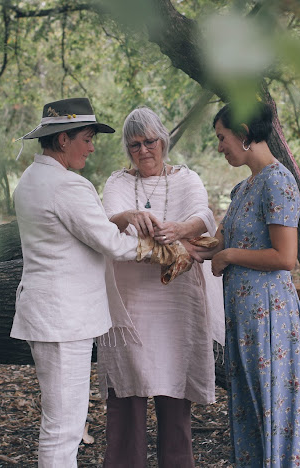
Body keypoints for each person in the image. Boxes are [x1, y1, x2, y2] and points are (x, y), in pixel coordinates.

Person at [10, 98, 173, 468]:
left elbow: (77, 233)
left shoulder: (30, 180)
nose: (92, 145)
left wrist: (121, 217)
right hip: (64, 319)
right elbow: (109, 243)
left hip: (47, 313)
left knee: (60, 423)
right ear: (63, 139)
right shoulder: (69, 185)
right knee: (64, 429)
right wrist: (162, 252)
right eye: (86, 137)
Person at [96, 106, 224, 468]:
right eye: (134, 144)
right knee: (127, 400)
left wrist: (180, 230)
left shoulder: (186, 179)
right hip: (131, 303)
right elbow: (108, 223)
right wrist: (129, 217)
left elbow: (203, 217)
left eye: (149, 141)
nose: (143, 150)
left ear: (163, 140)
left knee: (175, 394)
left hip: (177, 304)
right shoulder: (119, 182)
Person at [194, 102, 300, 467]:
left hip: (269, 316)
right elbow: (219, 244)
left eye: (222, 138)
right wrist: (177, 248)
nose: (219, 147)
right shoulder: (243, 188)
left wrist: (229, 257)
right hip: (243, 318)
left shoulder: (278, 182)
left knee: (272, 404)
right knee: (250, 405)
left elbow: (284, 257)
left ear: (244, 133)